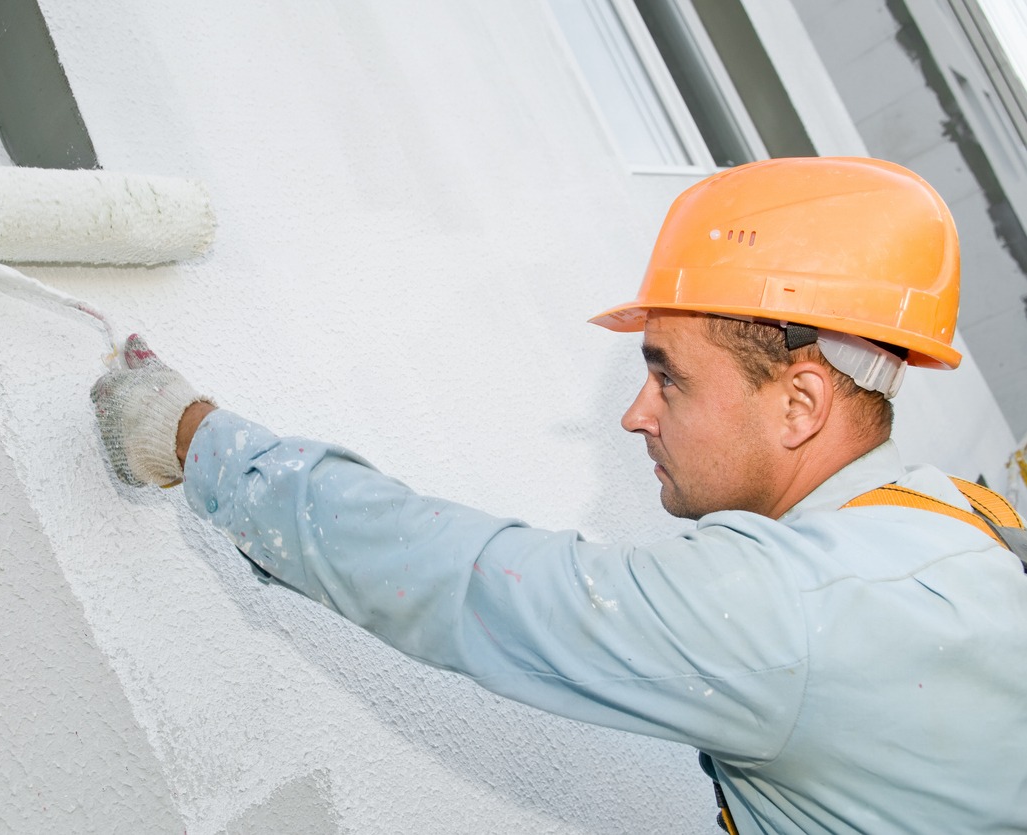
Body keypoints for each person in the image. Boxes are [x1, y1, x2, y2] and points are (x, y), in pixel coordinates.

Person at [90, 157, 1027, 834]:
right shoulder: (959, 520)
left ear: (798, 401)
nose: (634, 414)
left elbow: (471, 580)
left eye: (669, 378)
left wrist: (193, 437)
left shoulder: (782, 613)